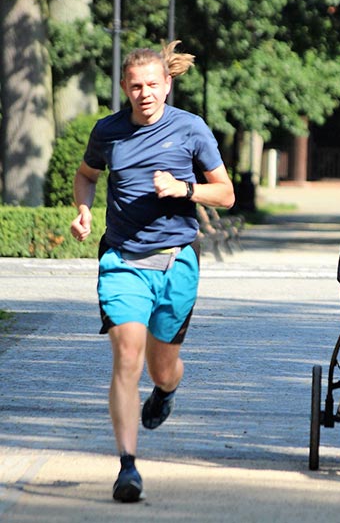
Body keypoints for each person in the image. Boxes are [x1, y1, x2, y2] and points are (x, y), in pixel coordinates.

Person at [70, 41, 235, 502]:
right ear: (124, 87)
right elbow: (86, 174)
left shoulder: (191, 129)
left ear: (167, 85)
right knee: (127, 354)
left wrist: (184, 188)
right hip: (122, 259)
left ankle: (165, 391)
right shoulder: (108, 132)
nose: (144, 93)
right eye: (135, 85)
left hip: (176, 260)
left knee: (162, 368)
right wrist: (83, 209)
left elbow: (225, 195)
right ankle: (127, 468)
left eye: (152, 85)